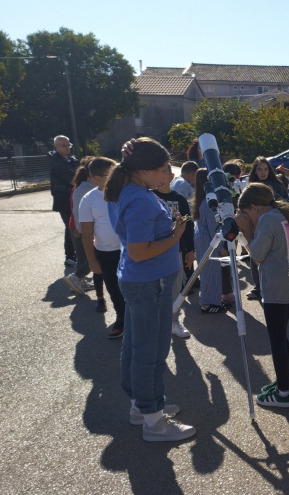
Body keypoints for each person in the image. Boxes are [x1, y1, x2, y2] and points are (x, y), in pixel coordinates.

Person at [105, 137, 194, 442]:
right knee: (151, 350)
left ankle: (141, 406)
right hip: (149, 281)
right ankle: (153, 420)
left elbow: (136, 245)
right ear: (145, 170)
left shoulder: (129, 190)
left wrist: (168, 231)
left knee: (136, 345)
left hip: (140, 279)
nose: (167, 175)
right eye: (163, 169)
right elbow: (141, 250)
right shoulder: (141, 198)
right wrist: (176, 235)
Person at [235, 183, 289, 408]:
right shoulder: (280, 214)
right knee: (281, 336)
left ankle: (283, 393)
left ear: (254, 208)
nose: (246, 217)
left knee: (276, 339)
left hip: (276, 285)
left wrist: (245, 230)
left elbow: (256, 255)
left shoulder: (266, 220)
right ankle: (287, 383)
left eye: (246, 213)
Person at [78, 157, 125, 338]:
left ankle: (136, 320)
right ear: (95, 177)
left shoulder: (126, 192)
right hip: (105, 253)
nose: (116, 176)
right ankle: (121, 319)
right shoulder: (88, 200)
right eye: (109, 174)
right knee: (113, 288)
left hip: (129, 250)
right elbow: (87, 233)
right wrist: (92, 261)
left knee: (134, 287)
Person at [154, 172, 195, 338]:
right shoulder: (149, 197)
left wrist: (190, 251)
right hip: (154, 251)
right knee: (155, 288)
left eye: (163, 173)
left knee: (176, 286)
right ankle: (156, 321)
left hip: (176, 250)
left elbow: (188, 225)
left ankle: (173, 321)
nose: (159, 177)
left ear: (171, 176)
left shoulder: (179, 199)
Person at [193, 169, 230, 314]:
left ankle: (211, 300)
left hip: (202, 237)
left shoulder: (201, 200)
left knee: (208, 271)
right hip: (209, 240)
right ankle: (209, 303)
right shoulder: (210, 204)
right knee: (211, 272)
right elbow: (214, 228)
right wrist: (221, 248)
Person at [62, 159, 97, 296]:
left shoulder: (80, 186)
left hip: (77, 226)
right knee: (92, 257)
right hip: (79, 227)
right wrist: (78, 228)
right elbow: (76, 209)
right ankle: (76, 277)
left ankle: (76, 283)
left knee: (83, 258)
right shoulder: (83, 189)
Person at [49, 135, 80, 266]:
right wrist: (73, 189)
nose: (67, 148)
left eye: (68, 145)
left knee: (75, 226)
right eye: (64, 145)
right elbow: (58, 184)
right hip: (64, 200)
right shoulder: (54, 162)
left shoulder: (72, 159)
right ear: (56, 146)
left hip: (75, 198)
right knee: (70, 227)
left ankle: (76, 253)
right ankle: (69, 256)